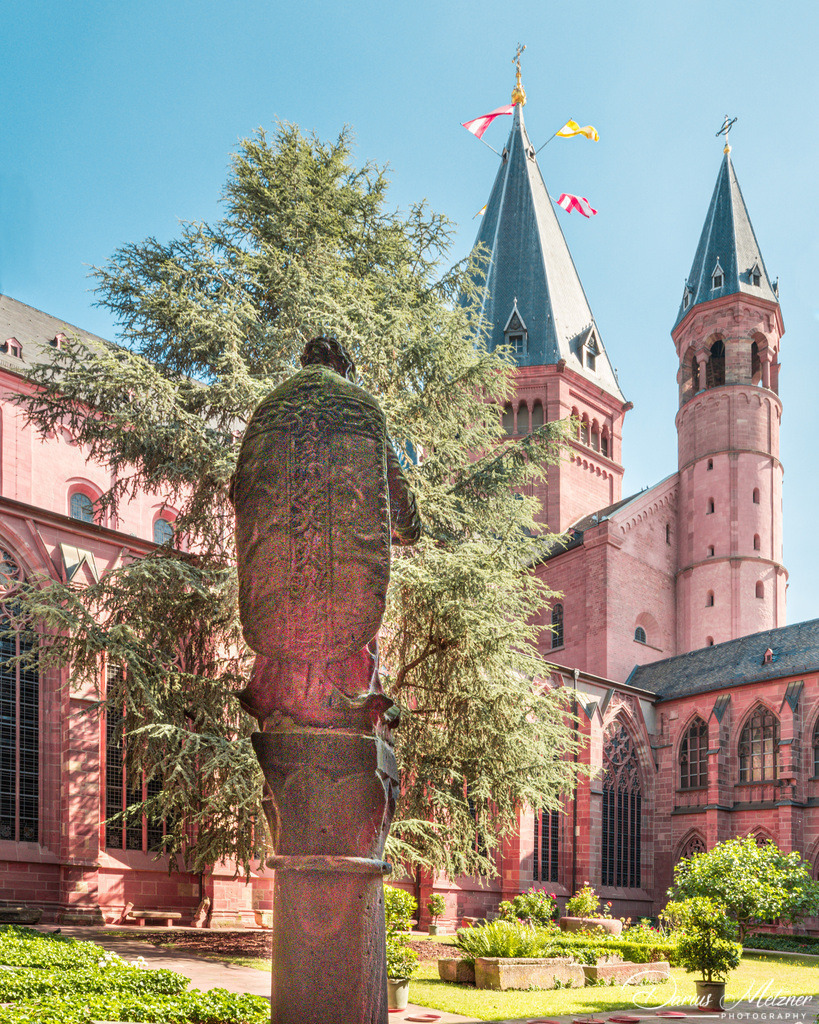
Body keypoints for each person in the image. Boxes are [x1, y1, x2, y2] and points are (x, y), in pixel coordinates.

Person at [230, 336, 421, 736]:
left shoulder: (267, 410)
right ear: (344, 367)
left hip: (280, 624)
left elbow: (240, 493)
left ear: (306, 362)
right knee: (352, 662)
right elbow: (401, 508)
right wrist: (401, 530)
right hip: (344, 625)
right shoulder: (359, 406)